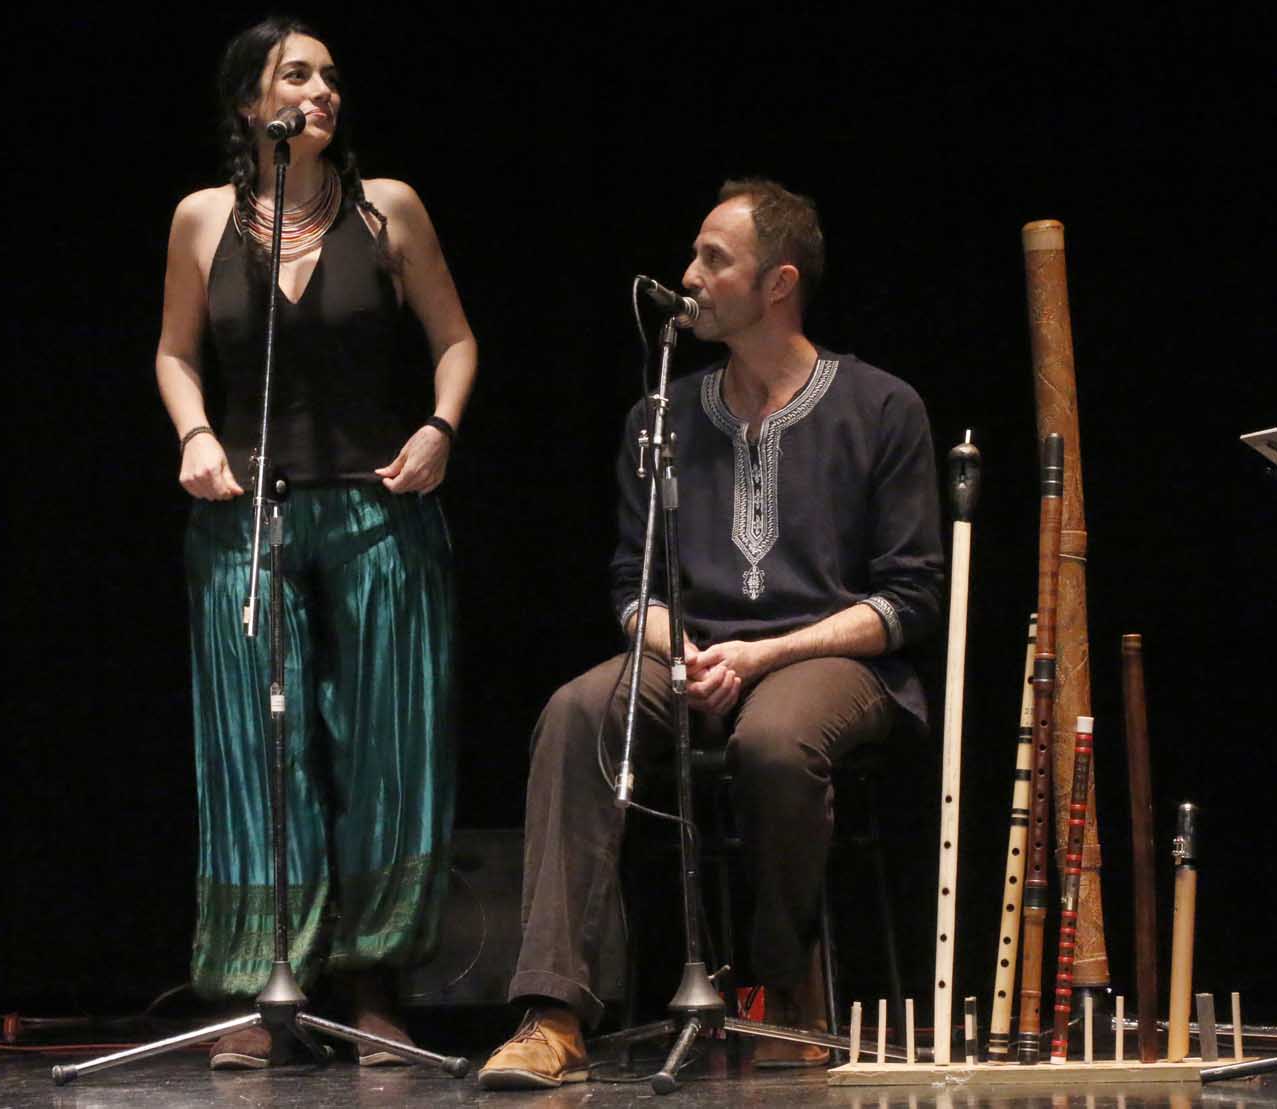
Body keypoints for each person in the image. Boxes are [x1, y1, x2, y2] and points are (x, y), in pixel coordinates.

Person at [478, 178, 944, 1089]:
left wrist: (766, 653)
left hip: (829, 657)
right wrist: (681, 650)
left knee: (774, 739)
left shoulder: (882, 406)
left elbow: (908, 600)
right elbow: (631, 586)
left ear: (778, 283)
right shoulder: (660, 416)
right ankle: (554, 1013)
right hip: (691, 654)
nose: (687, 275)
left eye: (712, 259)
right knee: (577, 712)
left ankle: (782, 986)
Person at [153, 17, 476, 1069]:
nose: (322, 90)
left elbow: (456, 339)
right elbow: (174, 352)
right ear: (251, 102)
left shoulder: (388, 209)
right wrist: (195, 434)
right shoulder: (203, 217)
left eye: (331, 75)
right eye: (297, 75)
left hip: (377, 514)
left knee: (383, 748)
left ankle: (375, 987)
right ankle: (268, 989)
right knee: (261, 750)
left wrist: (440, 428)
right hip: (246, 517)